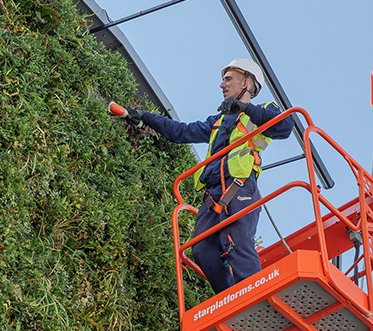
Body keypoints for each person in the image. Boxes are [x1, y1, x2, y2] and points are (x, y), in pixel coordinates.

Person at [112, 58, 293, 293]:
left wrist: (245, 108)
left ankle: (255, 298)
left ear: (246, 81)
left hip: (240, 189)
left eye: (228, 79)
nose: (222, 85)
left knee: (237, 243)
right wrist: (144, 116)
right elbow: (181, 132)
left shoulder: (265, 111)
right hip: (213, 195)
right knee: (201, 249)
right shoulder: (217, 122)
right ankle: (229, 298)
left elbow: (284, 128)